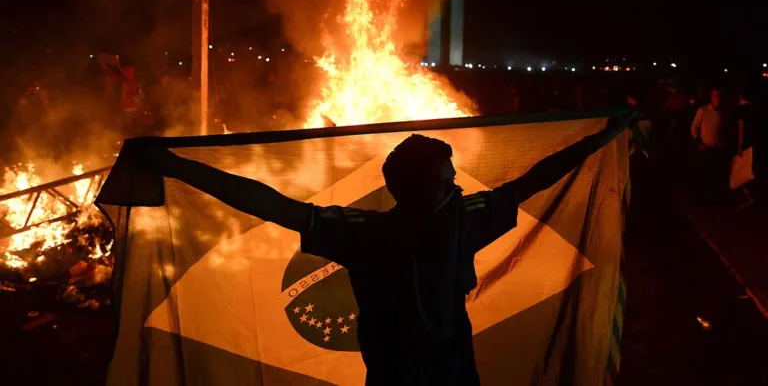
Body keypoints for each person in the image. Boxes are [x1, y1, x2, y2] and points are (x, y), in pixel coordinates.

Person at [133, 113, 636, 386]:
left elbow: (275, 206)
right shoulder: (449, 224)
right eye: (447, 181)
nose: (459, 186)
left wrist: (175, 165)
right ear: (419, 190)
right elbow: (267, 202)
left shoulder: (367, 231)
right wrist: (176, 167)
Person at [690, 87, 725, 198]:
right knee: (705, 173)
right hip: (705, 147)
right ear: (711, 97)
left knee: (716, 173)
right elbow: (694, 127)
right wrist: (698, 142)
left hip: (717, 147)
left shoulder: (722, 112)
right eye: (715, 95)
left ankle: (714, 196)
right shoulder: (703, 110)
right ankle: (703, 196)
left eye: (719, 95)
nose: (717, 98)